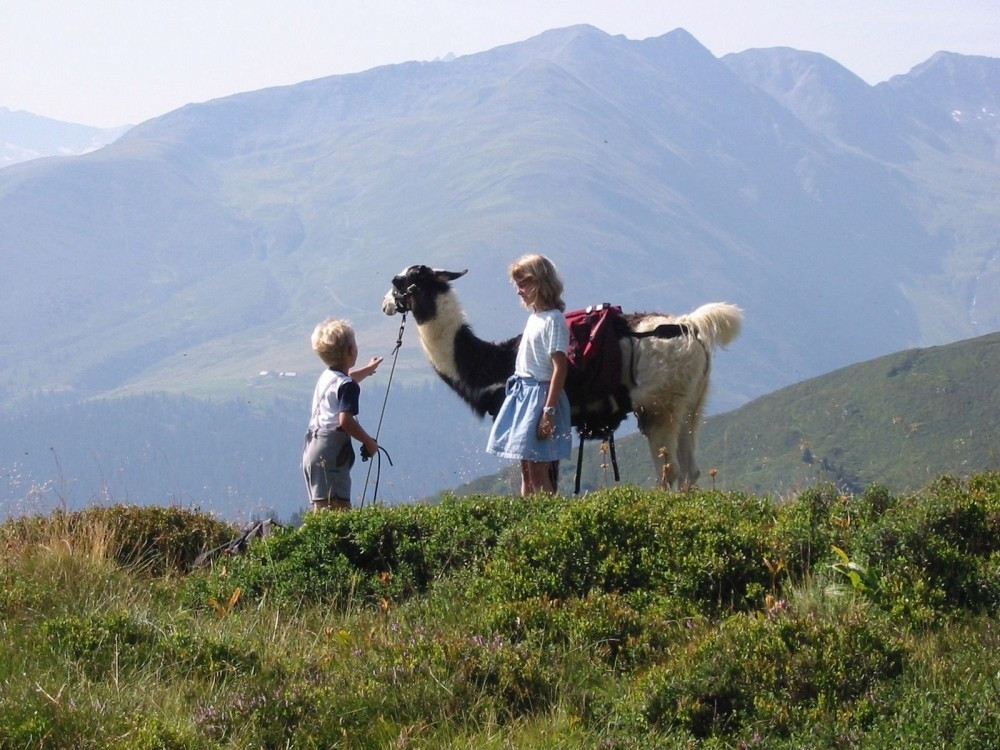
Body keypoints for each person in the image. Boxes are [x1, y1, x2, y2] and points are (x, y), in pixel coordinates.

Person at [487, 254, 572, 495]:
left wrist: (548, 412)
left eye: (523, 284)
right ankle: (528, 520)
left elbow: (560, 367)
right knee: (526, 469)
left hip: (539, 398)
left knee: (537, 471)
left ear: (539, 283)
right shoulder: (536, 317)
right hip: (524, 395)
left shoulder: (553, 320)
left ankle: (546, 522)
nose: (518, 290)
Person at [302, 318, 383, 511]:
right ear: (350, 351)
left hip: (312, 448)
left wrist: (368, 370)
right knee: (339, 509)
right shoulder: (348, 387)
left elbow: (348, 379)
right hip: (331, 451)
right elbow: (345, 421)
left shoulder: (327, 377)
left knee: (322, 508)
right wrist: (369, 442)